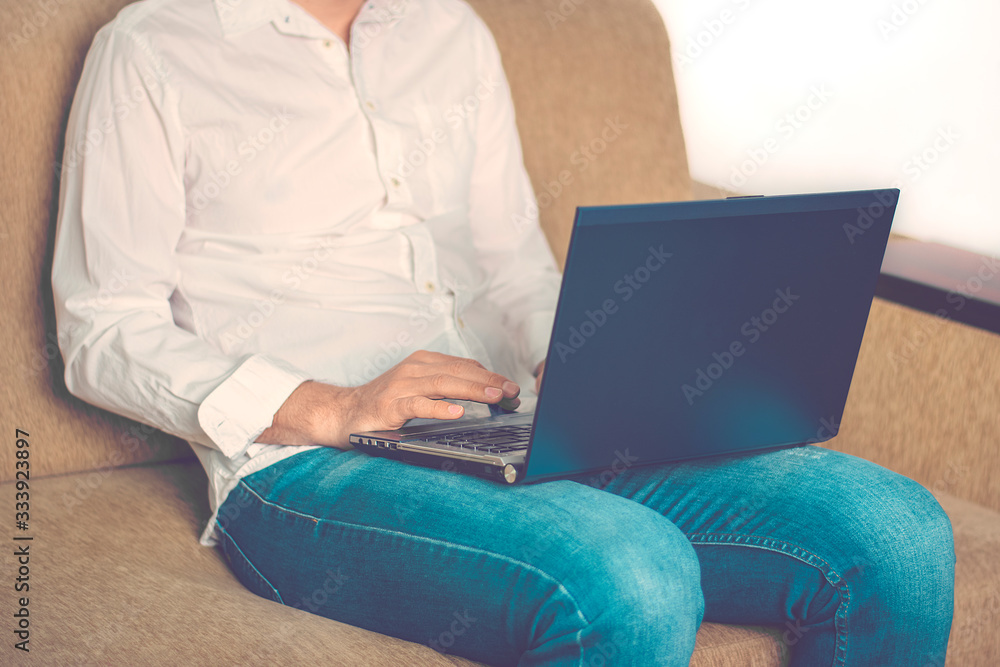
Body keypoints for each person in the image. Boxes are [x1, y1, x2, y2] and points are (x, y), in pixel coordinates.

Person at [52, 0, 956, 664]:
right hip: (301, 464)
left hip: (505, 425)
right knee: (632, 575)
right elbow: (102, 326)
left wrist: (611, 364)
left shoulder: (451, 33)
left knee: (896, 534)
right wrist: (331, 405)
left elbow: (509, 268)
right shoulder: (154, 48)